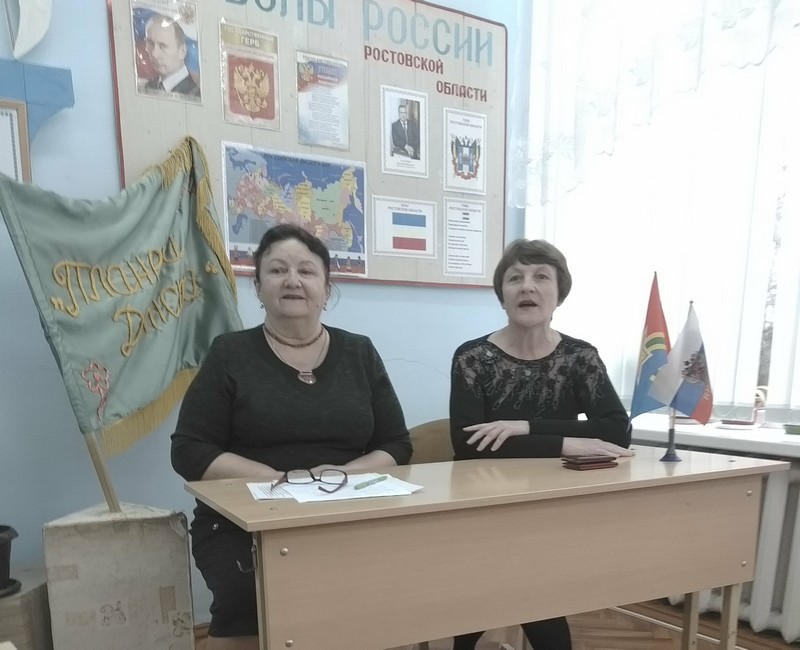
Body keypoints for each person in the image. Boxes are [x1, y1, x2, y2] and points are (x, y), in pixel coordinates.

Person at [171, 224, 412, 650]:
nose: (292, 280)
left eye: (306, 270)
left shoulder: (359, 351)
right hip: (245, 515)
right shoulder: (230, 352)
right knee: (250, 597)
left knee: (391, 585)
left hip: (344, 505)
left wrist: (339, 475)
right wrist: (279, 480)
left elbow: (396, 444)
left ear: (326, 288)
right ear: (258, 287)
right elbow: (190, 450)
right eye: (277, 270)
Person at [449, 238, 633, 650]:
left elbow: (617, 432)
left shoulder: (580, 357)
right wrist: (568, 442)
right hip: (483, 505)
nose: (527, 286)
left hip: (550, 506)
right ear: (502, 295)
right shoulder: (472, 357)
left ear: (559, 293)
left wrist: (524, 427)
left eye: (541, 277)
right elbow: (469, 444)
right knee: (486, 599)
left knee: (535, 596)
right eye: (515, 278)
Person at [143, 14, 201, 99]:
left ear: (182, 51)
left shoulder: (195, 93)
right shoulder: (148, 87)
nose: (154, 54)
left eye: (163, 46)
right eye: (150, 43)